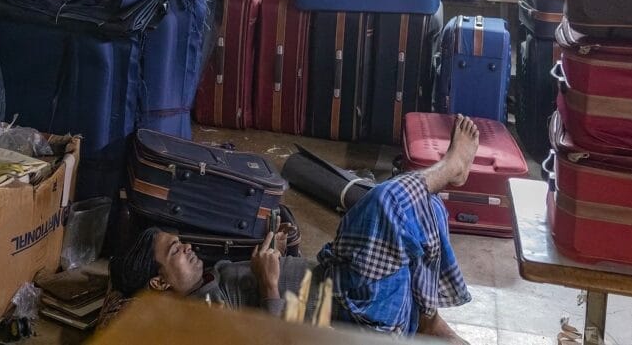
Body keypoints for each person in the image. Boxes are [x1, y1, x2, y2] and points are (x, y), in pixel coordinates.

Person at [108, 115, 481, 344]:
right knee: (388, 206)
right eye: (175, 251)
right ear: (159, 283)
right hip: (359, 315)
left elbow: (293, 300)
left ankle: (428, 319)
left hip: (344, 285)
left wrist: (286, 255)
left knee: (423, 207)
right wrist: (269, 282)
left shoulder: (209, 283)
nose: (187, 246)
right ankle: (451, 169)